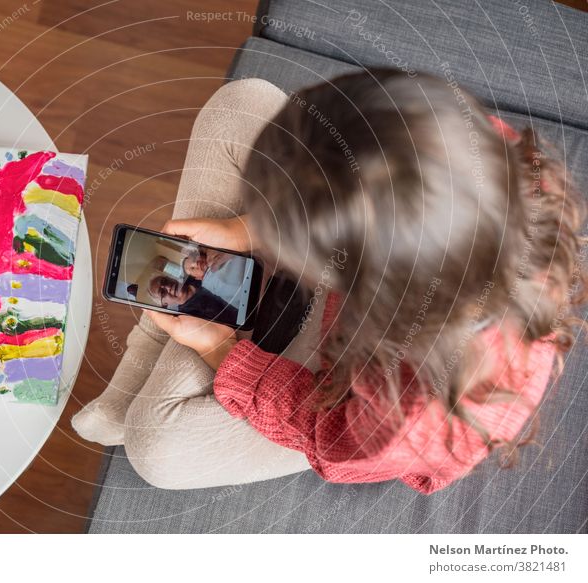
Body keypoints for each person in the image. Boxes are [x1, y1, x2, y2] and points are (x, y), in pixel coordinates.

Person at [72, 72, 586, 492]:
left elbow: (323, 433)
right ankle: (159, 340)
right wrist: (247, 229)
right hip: (365, 286)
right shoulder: (475, 150)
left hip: (341, 382)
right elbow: (351, 174)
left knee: (153, 446)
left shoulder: (412, 415)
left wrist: (219, 345)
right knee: (241, 101)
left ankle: (145, 358)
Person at [147, 274, 239, 324]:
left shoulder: (192, 275)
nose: (168, 287)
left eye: (165, 281)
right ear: (165, 304)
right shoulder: (188, 315)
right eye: (162, 292)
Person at [182, 248, 247, 307]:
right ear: (197, 278)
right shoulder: (211, 284)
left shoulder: (214, 251)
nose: (196, 263)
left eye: (194, 259)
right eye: (192, 268)